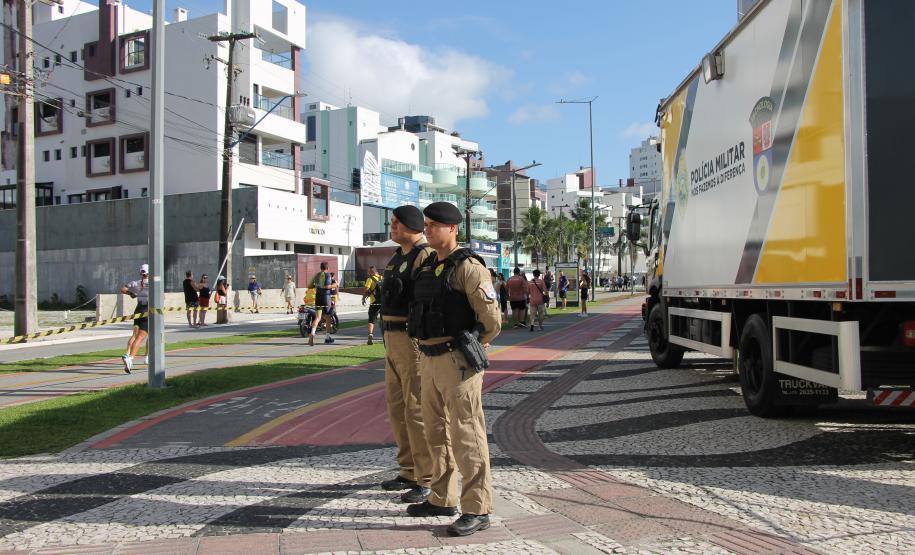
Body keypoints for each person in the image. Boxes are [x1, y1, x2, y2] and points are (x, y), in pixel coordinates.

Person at [405, 202, 501, 537]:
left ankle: (477, 508)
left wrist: (473, 346)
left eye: (434, 225)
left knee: (466, 433)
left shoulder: (469, 267)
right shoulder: (430, 265)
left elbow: (492, 321)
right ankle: (442, 497)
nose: (427, 229)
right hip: (428, 359)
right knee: (435, 432)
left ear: (453, 229)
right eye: (426, 224)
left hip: (457, 361)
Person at [378, 205, 435, 504]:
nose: (394, 226)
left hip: (410, 340)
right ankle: (408, 469)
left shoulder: (423, 255)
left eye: (398, 223)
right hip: (390, 337)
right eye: (393, 222)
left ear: (414, 225)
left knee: (415, 410)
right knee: (397, 407)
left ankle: (426, 478)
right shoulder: (397, 257)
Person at [119, 264, 150, 373]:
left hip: (138, 310)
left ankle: (129, 355)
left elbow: (122, 289)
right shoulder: (153, 283)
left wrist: (131, 293)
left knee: (136, 335)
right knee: (142, 337)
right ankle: (131, 358)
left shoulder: (135, 283)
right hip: (148, 310)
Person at [308, 262, 334, 345]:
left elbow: (309, 286)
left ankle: (312, 333)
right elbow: (327, 286)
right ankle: (327, 337)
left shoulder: (316, 275)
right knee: (328, 317)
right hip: (326, 297)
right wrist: (335, 285)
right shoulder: (328, 275)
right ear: (327, 268)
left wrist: (316, 286)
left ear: (320, 267)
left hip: (318, 297)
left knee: (318, 317)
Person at [362, 266, 382, 345]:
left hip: (374, 301)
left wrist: (363, 298)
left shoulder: (370, 279)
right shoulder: (381, 278)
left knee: (371, 319)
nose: (368, 273)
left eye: (368, 271)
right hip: (383, 302)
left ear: (371, 272)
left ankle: (370, 334)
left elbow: (366, 290)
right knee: (383, 319)